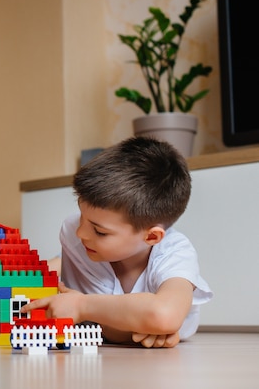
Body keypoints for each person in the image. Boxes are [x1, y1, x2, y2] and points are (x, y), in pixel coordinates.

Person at [22, 136, 212, 348]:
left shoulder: (175, 252)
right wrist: (137, 325)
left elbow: (164, 315)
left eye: (99, 231)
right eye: (81, 215)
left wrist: (81, 305)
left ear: (151, 237)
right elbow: (62, 264)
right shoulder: (74, 232)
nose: (81, 233)